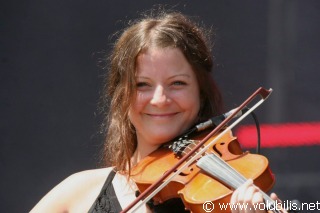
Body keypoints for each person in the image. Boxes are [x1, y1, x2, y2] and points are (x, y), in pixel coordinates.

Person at [31, 10, 285, 213]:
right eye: (142, 85)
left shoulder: (223, 201)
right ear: (122, 95)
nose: (160, 99)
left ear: (200, 92)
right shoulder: (78, 193)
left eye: (177, 83)